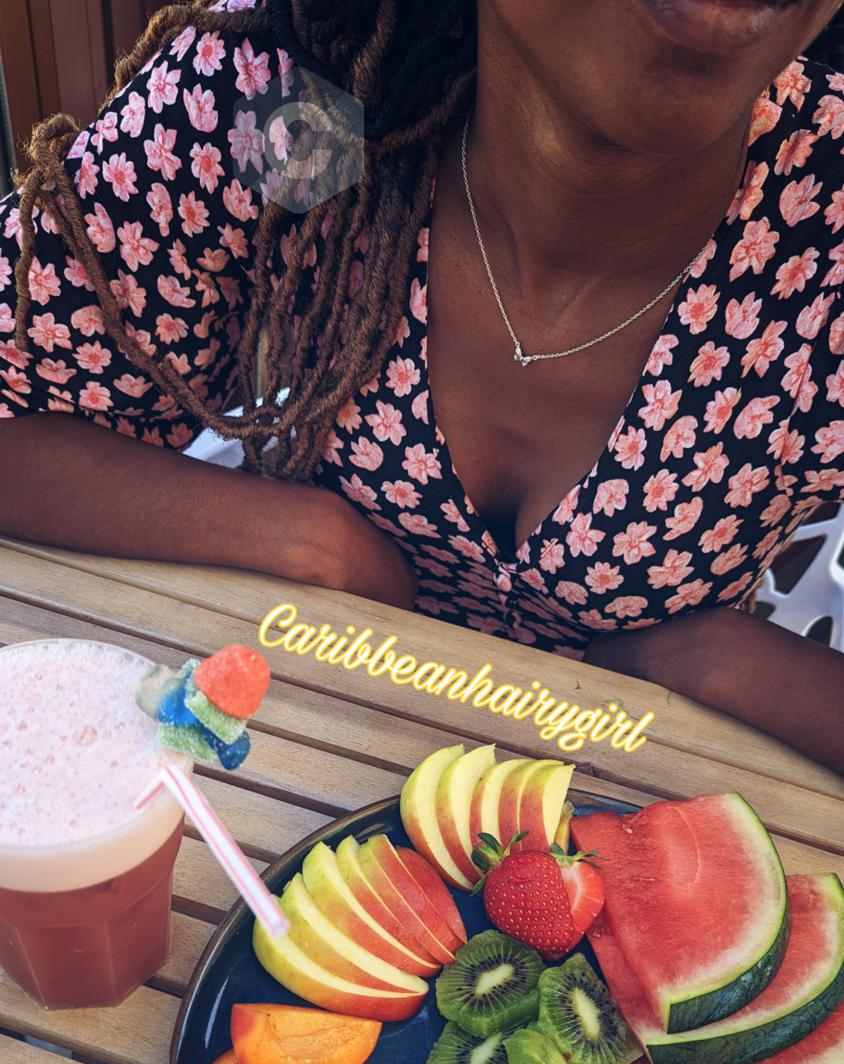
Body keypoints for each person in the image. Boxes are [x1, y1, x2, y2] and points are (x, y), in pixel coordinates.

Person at [0, 0, 842, 771]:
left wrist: (735, 666)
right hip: (281, 748)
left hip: (631, 788)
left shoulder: (827, 233)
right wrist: (306, 540)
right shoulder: (325, 108)